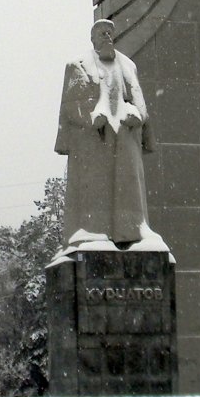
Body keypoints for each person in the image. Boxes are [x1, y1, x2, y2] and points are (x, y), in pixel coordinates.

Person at [55, 19, 155, 246]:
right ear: (93, 38)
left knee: (128, 193)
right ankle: (93, 233)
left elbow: (139, 100)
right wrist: (90, 117)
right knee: (94, 194)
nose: (107, 36)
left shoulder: (128, 65)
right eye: (101, 33)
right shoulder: (77, 65)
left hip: (124, 140)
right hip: (93, 142)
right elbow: (71, 105)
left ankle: (131, 232)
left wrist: (136, 114)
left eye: (110, 33)